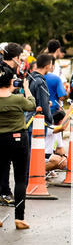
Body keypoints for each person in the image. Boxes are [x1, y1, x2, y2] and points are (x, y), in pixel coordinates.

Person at [0, 65, 35, 229]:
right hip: (18, 139)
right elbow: (31, 105)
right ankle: (19, 217)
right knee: (20, 179)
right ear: (11, 81)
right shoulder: (18, 99)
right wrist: (26, 89)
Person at [0, 42, 24, 206]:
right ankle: (4, 192)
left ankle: (5, 191)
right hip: (5, 121)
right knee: (4, 161)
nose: (22, 61)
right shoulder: (5, 72)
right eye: (21, 58)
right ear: (15, 57)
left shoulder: (7, 69)